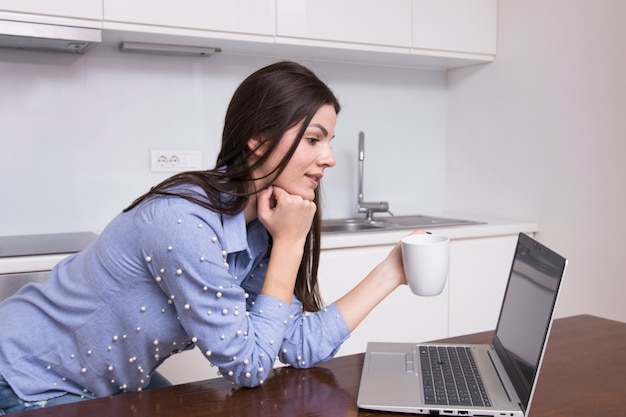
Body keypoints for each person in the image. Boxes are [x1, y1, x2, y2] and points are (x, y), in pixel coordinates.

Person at [0, 61, 413, 414]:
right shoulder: (185, 222)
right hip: (26, 376)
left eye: (329, 142)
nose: (328, 158)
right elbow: (249, 366)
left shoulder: (259, 228)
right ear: (258, 139)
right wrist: (290, 245)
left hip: (103, 385)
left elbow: (300, 345)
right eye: (313, 138)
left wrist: (392, 271)